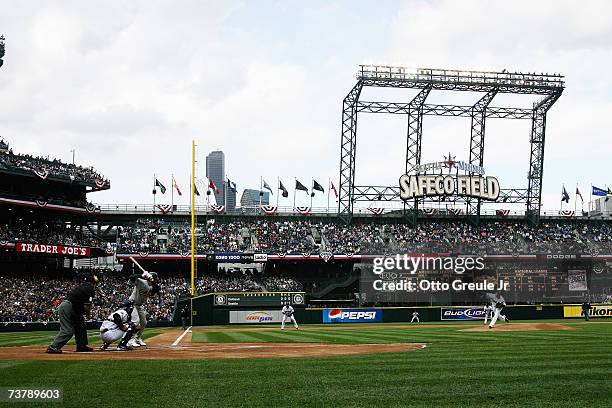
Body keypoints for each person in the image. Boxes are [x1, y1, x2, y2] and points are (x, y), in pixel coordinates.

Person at [46, 273, 99, 354]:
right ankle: (53, 347)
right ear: (92, 282)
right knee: (68, 330)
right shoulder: (89, 288)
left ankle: (81, 346)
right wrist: (88, 315)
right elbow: (87, 305)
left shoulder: (84, 286)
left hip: (74, 308)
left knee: (81, 325)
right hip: (68, 307)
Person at [127, 270, 160, 348]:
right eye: (155, 279)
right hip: (132, 304)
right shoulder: (141, 281)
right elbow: (131, 278)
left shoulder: (152, 286)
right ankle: (130, 340)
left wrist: (151, 280)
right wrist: (142, 275)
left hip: (140, 305)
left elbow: (157, 289)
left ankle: (137, 338)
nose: (156, 280)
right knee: (135, 322)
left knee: (144, 322)